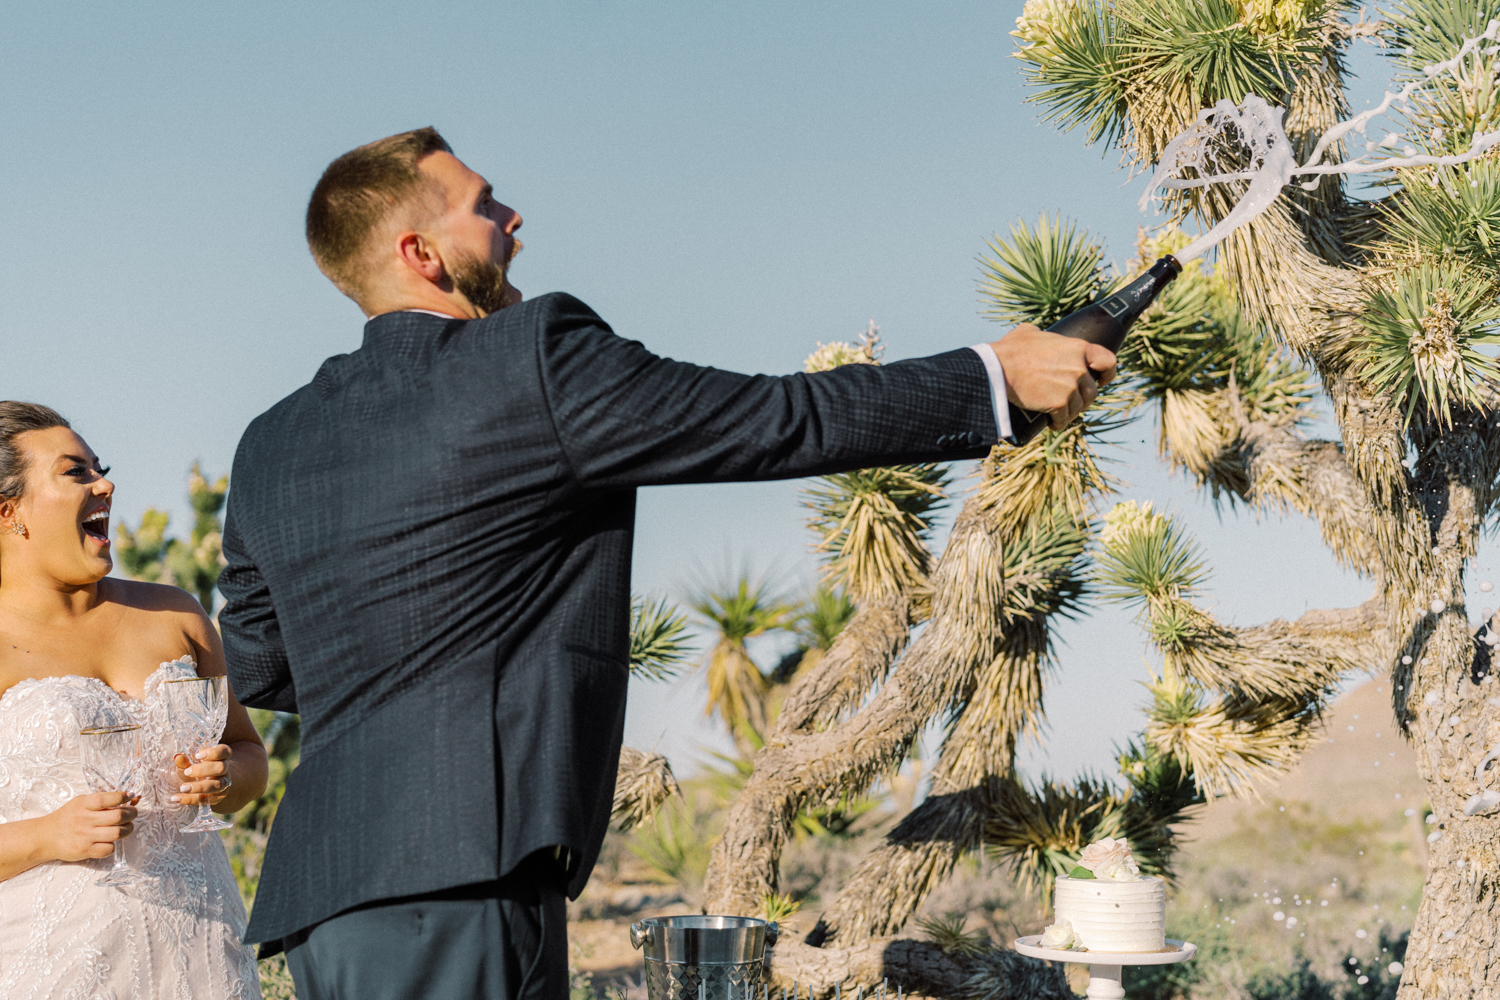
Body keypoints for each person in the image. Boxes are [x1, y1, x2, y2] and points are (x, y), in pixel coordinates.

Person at [219, 127, 1117, 1000]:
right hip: (461, 875)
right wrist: (992, 375)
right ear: (420, 251)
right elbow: (772, 420)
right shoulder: (529, 359)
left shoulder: (270, 444)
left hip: (319, 903)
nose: (514, 218)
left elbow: (262, 663)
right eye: (483, 204)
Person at [0, 401, 269, 998]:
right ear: (9, 511)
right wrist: (48, 834)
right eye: (76, 473)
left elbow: (251, 756)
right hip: (55, 968)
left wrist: (226, 778)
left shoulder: (175, 613)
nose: (106, 484)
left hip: (205, 954)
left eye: (101, 468)